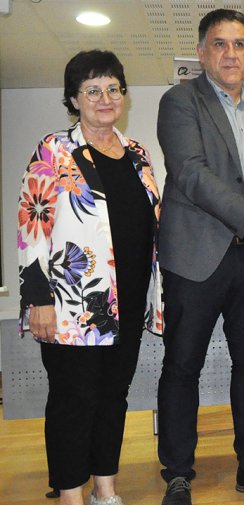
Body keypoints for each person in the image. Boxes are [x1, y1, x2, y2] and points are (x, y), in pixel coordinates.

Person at [156, 9, 244, 505]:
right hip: (196, 255)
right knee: (182, 365)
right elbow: (190, 173)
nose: (230, 53)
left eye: (239, 44)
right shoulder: (179, 101)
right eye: (219, 44)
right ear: (202, 52)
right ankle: (178, 472)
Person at [17, 49, 163, 505]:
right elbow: (31, 224)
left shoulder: (138, 155)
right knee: (72, 402)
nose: (105, 98)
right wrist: (37, 297)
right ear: (74, 99)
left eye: (113, 88)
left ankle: (105, 488)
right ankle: (70, 495)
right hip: (71, 302)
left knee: (113, 397)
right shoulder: (54, 150)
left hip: (128, 302)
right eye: (93, 90)